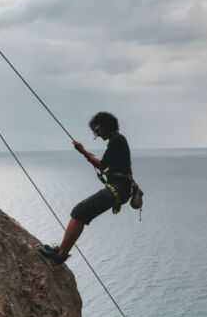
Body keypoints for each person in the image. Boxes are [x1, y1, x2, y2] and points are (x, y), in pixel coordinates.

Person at [38, 111, 139, 264]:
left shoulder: (116, 140)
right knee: (81, 212)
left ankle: (61, 254)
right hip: (121, 188)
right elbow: (105, 167)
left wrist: (83, 152)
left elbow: (102, 165)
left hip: (119, 188)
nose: (96, 134)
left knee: (80, 211)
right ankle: (61, 251)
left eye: (96, 130)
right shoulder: (118, 140)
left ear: (104, 126)